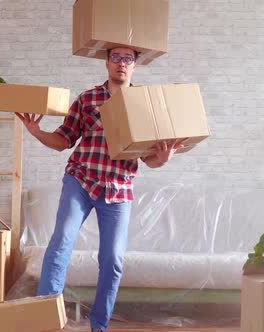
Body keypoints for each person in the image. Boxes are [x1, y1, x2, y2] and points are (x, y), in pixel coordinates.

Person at [15, 47, 182, 332]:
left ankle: (98, 327)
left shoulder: (143, 105)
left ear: (134, 67)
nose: (122, 63)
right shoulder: (88, 99)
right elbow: (63, 140)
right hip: (81, 180)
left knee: (113, 260)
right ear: (106, 63)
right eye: (116, 57)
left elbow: (148, 159)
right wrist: (36, 132)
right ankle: (44, 324)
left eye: (128, 59)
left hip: (118, 190)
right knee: (60, 245)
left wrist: (163, 159)